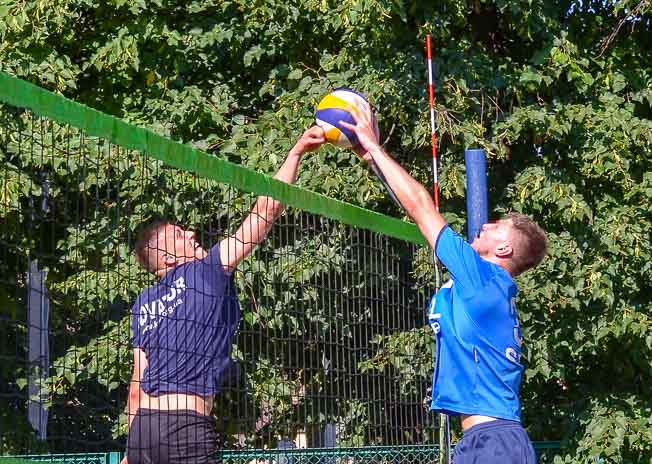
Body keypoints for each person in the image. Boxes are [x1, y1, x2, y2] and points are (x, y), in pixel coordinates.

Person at [339, 110, 547, 464]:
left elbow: (420, 206)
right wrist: (373, 159)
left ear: (504, 250)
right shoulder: (487, 285)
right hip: (485, 440)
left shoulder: (481, 278)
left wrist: (376, 147)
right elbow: (412, 209)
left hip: (494, 443)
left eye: (499, 225)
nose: (489, 224)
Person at [124, 127, 326, 464]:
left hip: (143, 431)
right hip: (183, 428)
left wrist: (132, 454)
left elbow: (136, 386)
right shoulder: (206, 270)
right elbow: (264, 213)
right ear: (167, 258)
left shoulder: (143, 304)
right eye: (178, 234)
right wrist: (295, 154)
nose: (190, 233)